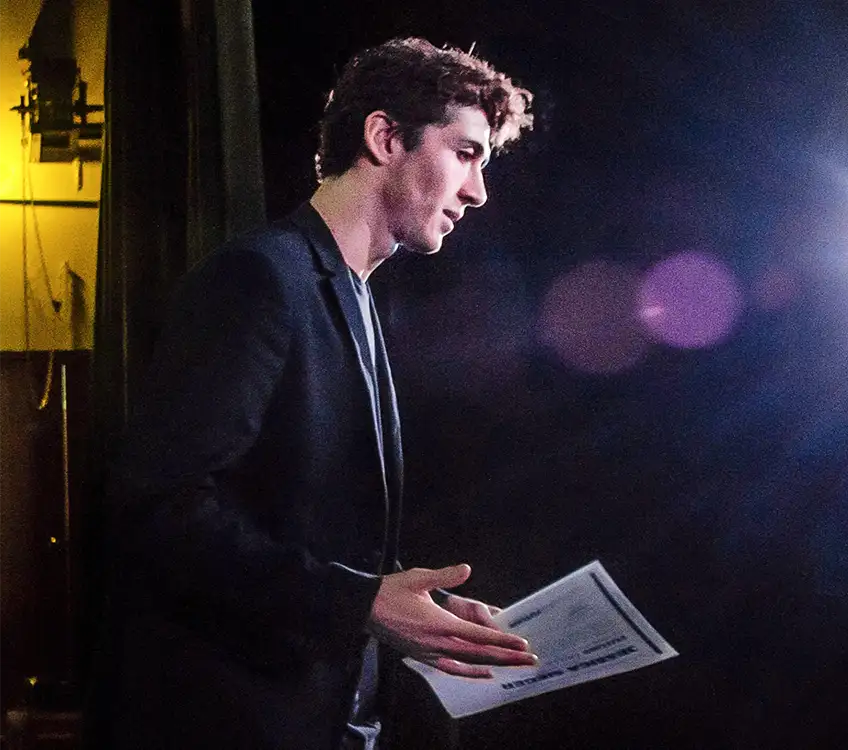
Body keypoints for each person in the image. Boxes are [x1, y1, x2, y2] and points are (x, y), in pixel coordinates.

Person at [92, 38, 536, 750]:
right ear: (384, 137)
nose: (477, 191)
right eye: (465, 153)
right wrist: (361, 602)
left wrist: (410, 604)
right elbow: (156, 509)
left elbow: (301, 529)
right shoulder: (259, 279)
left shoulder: (352, 296)